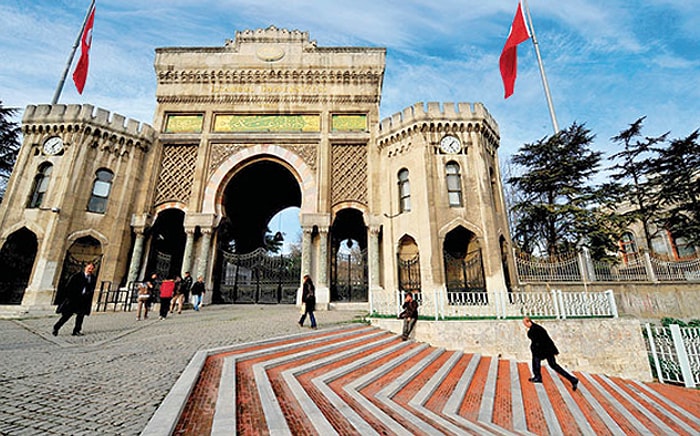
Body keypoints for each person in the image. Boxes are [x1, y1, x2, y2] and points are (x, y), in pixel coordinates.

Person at [522, 316, 579, 391]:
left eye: (524, 323)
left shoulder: (534, 329)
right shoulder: (537, 328)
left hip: (544, 350)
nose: (524, 325)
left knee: (545, 363)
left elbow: (537, 340)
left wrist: (528, 334)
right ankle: (572, 379)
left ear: (528, 322)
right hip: (546, 350)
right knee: (550, 364)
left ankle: (538, 377)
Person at [53, 263, 97, 336]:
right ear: (85, 268)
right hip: (74, 299)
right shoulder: (77, 276)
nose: (90, 270)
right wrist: (70, 297)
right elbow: (69, 286)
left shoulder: (92, 278)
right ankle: (56, 327)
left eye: (92, 269)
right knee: (67, 315)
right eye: (89, 268)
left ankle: (76, 331)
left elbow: (91, 288)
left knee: (80, 316)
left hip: (83, 300)